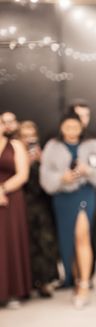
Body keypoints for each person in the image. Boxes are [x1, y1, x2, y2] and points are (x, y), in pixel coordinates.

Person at [41, 113, 96, 308]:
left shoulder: (93, 145)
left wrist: (88, 171)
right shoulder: (52, 147)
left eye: (75, 127)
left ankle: (84, 285)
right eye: (68, 127)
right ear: (61, 128)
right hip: (62, 197)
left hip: (85, 194)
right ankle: (75, 278)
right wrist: (60, 179)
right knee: (67, 241)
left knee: (82, 236)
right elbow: (45, 175)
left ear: (82, 128)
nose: (72, 131)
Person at [18, 121, 59, 298]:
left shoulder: (44, 154)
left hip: (42, 203)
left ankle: (46, 281)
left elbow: (51, 178)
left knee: (45, 242)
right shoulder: (16, 154)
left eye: (32, 136)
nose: (29, 140)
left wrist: (43, 162)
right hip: (23, 203)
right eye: (25, 136)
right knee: (27, 243)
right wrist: (24, 162)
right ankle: (27, 282)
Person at [0, 119, 31, 308]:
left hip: (12, 198)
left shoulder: (16, 145)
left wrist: (1, 189)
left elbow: (23, 174)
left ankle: (13, 291)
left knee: (10, 242)